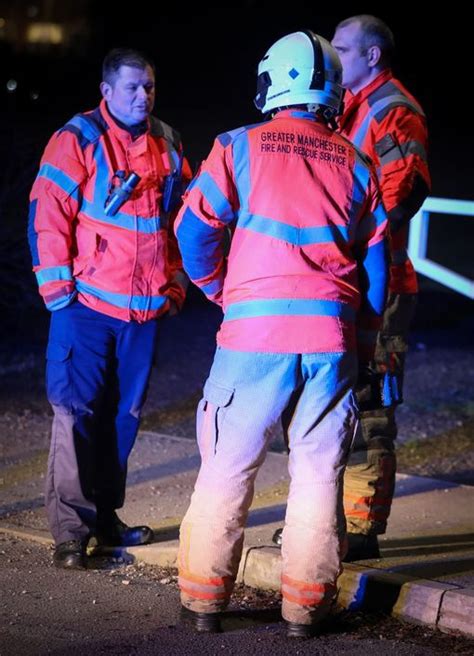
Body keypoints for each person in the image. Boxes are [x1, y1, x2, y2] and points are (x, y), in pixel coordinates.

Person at [174, 30, 388, 637]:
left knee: (227, 468)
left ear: (272, 83)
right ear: (333, 92)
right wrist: (366, 350)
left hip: (253, 338)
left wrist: (221, 288)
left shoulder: (238, 146)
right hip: (330, 343)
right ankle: (304, 609)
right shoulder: (357, 163)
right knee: (320, 475)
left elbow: (193, 231)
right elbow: (375, 273)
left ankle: (204, 603)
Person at [27, 48, 191, 569]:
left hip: (141, 315)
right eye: (132, 88)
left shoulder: (168, 142)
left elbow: (183, 220)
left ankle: (104, 520)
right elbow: (47, 213)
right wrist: (58, 292)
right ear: (107, 91)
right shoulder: (77, 139)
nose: (143, 96)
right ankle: (71, 534)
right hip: (86, 307)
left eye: (149, 87)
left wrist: (176, 284)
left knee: (123, 419)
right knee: (75, 415)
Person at [329, 15, 430, 560]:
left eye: (342, 48)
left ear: (371, 56)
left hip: (383, 284)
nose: (332, 55)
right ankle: (335, 523)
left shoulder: (391, 109)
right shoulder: (350, 105)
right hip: (354, 279)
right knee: (339, 398)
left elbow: (403, 189)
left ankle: (361, 531)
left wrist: (352, 231)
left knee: (370, 404)